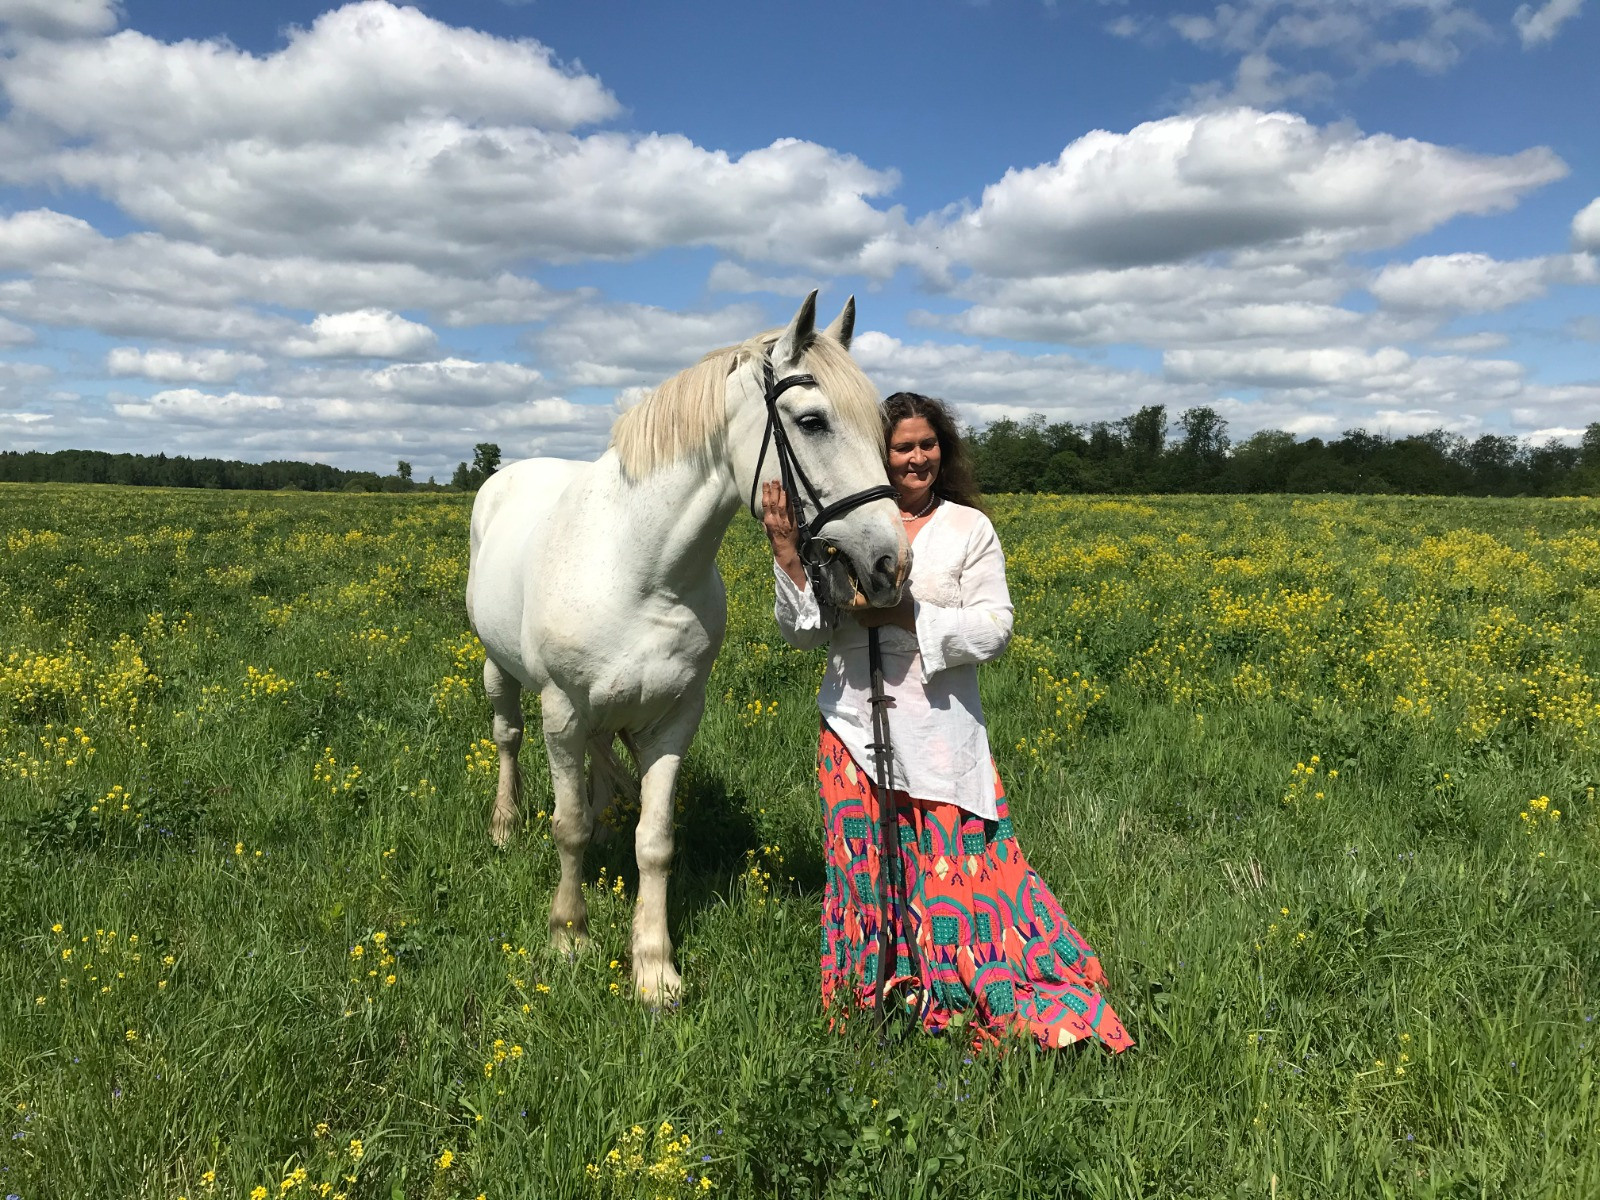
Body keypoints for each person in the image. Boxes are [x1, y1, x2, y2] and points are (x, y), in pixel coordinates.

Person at [761, 391, 1131, 1052]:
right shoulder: (845, 528)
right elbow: (807, 635)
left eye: (926, 445)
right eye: (902, 447)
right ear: (880, 455)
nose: (916, 458)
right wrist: (789, 555)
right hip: (851, 730)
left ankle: (960, 995)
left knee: (951, 878)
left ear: (943, 450)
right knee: (862, 877)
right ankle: (868, 996)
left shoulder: (967, 529)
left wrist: (906, 617)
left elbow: (995, 629)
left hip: (941, 737)